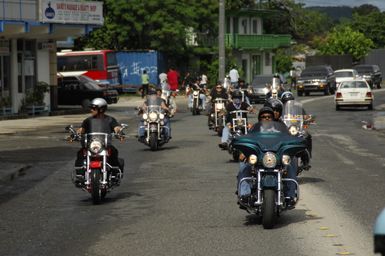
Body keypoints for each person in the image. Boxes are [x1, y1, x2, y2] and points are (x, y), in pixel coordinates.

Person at [75, 98, 124, 172]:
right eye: (91, 108)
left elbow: (116, 127)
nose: (91, 110)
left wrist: (119, 132)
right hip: (90, 145)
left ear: (101, 109)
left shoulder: (110, 120)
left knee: (114, 152)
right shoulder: (88, 121)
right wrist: (76, 134)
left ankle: (115, 173)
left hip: (104, 145)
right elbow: (82, 130)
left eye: (93, 108)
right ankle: (79, 174)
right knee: (80, 153)